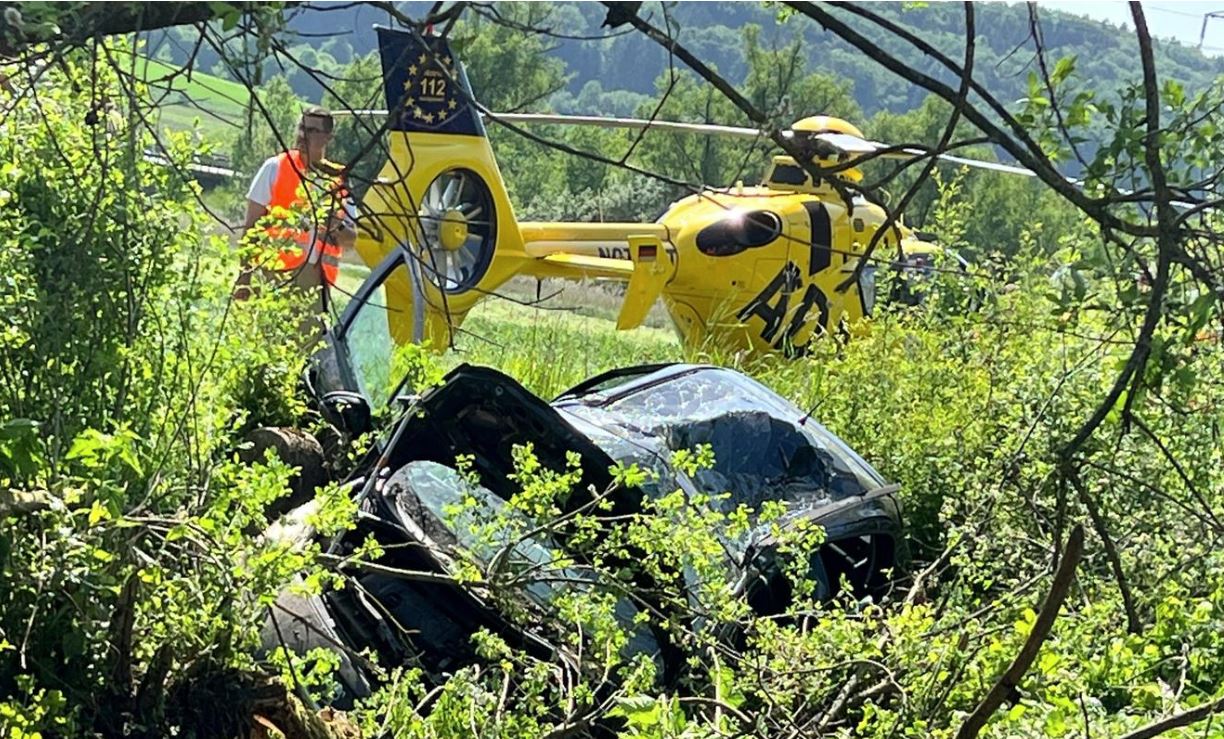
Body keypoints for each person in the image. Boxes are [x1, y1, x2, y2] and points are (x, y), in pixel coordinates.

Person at [237, 106, 358, 313]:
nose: (302, 135)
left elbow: (351, 240)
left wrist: (335, 227)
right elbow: (251, 229)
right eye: (301, 128)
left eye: (311, 131)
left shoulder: (337, 181)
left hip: (316, 281)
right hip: (272, 273)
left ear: (328, 138)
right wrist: (244, 275)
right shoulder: (275, 167)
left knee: (307, 344)